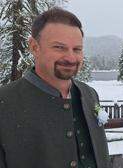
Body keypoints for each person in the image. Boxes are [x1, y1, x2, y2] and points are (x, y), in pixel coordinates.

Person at [0, 8, 109, 168]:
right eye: (59, 47)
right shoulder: (5, 102)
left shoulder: (90, 94)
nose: (71, 57)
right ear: (34, 47)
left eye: (77, 49)